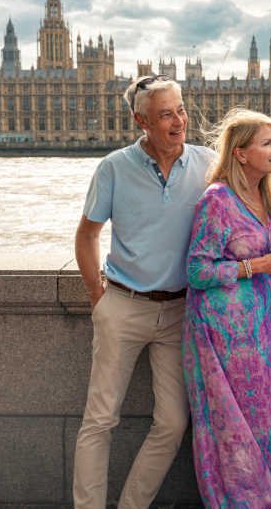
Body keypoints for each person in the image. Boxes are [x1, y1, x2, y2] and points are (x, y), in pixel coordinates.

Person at [73, 75, 214, 509]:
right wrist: (101, 300)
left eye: (182, 110)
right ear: (141, 120)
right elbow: (87, 236)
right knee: (100, 419)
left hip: (180, 311)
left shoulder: (210, 163)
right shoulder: (114, 166)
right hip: (124, 304)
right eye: (166, 114)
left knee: (173, 423)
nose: (179, 121)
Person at [184, 109, 271, 509]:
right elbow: (197, 269)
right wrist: (256, 266)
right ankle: (244, 501)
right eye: (267, 143)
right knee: (241, 422)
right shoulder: (216, 199)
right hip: (227, 335)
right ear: (240, 153)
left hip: (264, 328)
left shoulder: (266, 195)